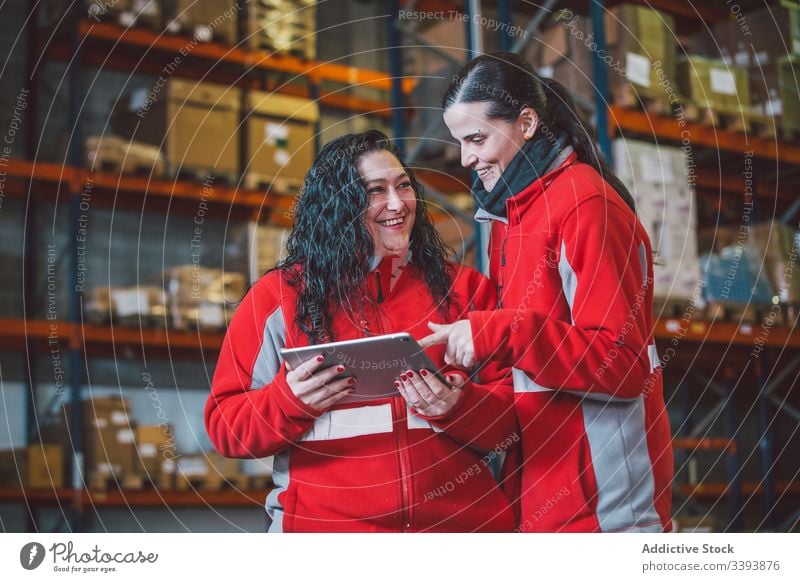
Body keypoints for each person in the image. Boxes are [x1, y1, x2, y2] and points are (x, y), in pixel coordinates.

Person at [205, 130, 518, 533]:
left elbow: (517, 423)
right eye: (375, 190)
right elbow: (227, 430)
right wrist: (289, 400)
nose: (396, 203)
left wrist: (458, 408)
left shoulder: (466, 291)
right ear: (338, 207)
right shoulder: (278, 299)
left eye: (403, 185)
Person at [420, 52, 673, 532]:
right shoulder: (507, 219)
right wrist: (461, 392)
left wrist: (498, 331)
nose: (466, 158)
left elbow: (620, 361)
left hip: (604, 501)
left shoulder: (586, 205)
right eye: (459, 142)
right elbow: (524, 359)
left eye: (476, 138)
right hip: (538, 483)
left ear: (527, 122)